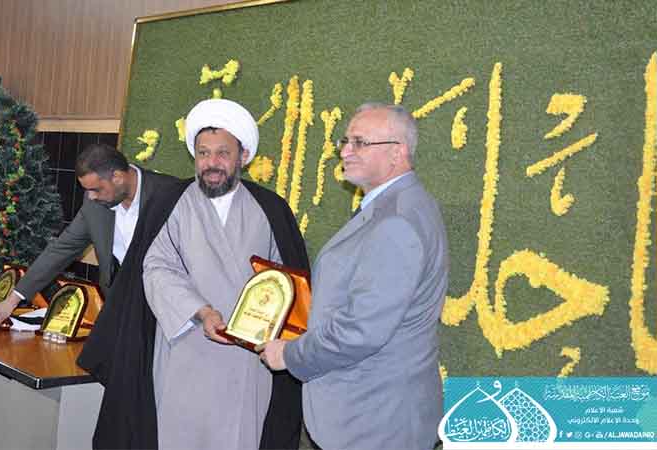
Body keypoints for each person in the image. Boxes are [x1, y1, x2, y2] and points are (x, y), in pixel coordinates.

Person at [77, 98, 309, 450]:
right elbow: (156, 267)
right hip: (184, 347)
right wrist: (202, 312)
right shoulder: (170, 201)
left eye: (222, 153)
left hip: (247, 362)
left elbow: (287, 284)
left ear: (243, 156)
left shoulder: (271, 209)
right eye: (203, 153)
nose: (211, 163)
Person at [259, 103, 449, 450]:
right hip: (380, 415)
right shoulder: (405, 204)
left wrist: (288, 355)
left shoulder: (396, 222)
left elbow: (360, 331)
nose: (345, 151)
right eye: (345, 141)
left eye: (360, 142)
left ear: (397, 153)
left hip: (374, 419)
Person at [0, 143, 175, 330]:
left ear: (117, 177)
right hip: (122, 307)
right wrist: (12, 300)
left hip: (166, 310)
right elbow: (61, 249)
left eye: (96, 189)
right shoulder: (95, 204)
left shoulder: (170, 193)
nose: (91, 197)